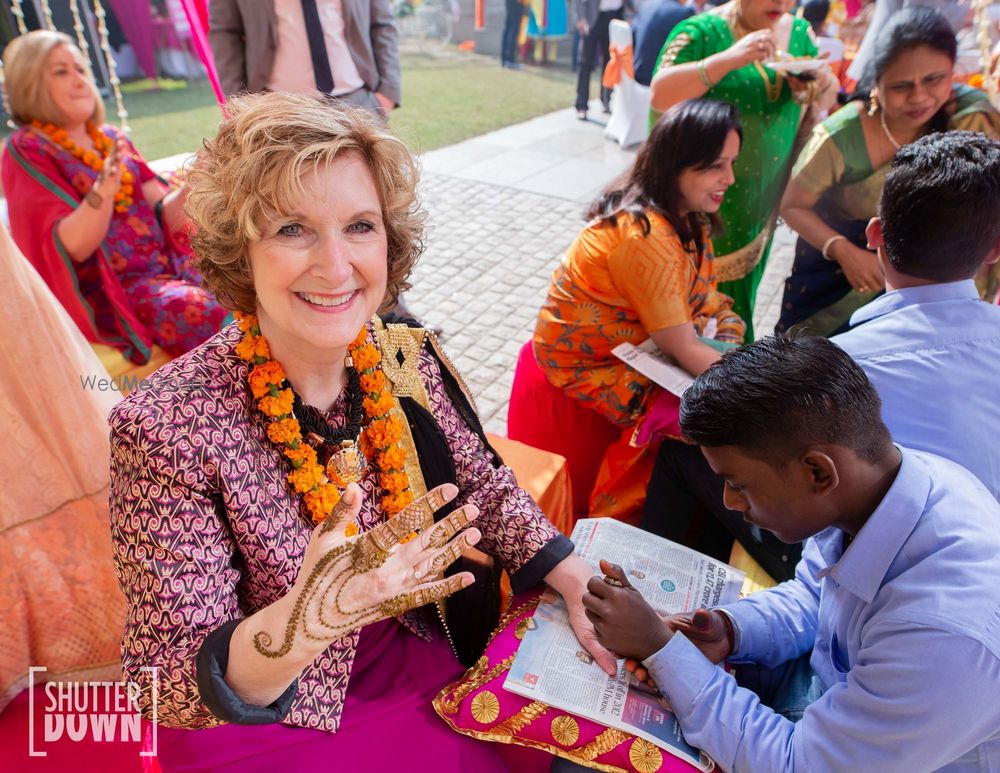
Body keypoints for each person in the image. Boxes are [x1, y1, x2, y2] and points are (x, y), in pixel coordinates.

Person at [108, 92, 613, 771]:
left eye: (359, 226)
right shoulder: (166, 423)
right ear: (240, 248)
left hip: (418, 651)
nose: (337, 265)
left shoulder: (400, 353)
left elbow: (485, 485)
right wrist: (309, 618)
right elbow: (162, 683)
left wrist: (579, 581)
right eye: (292, 228)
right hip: (273, 708)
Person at [581, 335, 1000, 773]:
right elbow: (814, 595)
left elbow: (799, 765)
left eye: (738, 484)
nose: (728, 501)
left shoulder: (944, 636)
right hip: (823, 695)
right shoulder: (880, 487)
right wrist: (730, 630)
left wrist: (661, 648)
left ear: (818, 471)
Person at [643, 129, 1000, 582]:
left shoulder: (844, 367)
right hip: (976, 558)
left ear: (874, 235)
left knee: (679, 446)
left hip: (885, 566)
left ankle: (664, 588)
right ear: (993, 250)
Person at [534, 99, 745, 523]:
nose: (730, 179)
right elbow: (684, 348)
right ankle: (623, 535)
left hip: (648, 343)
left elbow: (703, 302)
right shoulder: (644, 236)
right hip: (592, 362)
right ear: (675, 165)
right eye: (715, 166)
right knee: (697, 421)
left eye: (732, 163)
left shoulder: (685, 217)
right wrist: (753, 388)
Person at [1, 30, 227, 364]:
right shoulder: (28, 149)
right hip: (117, 292)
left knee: (241, 284)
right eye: (61, 72)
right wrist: (101, 194)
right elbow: (71, 247)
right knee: (203, 309)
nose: (79, 80)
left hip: (170, 266)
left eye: (80, 69)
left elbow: (166, 216)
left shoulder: (111, 138)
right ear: (29, 84)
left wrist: (195, 181)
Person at [777, 6, 1000, 335]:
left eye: (934, 79)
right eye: (901, 86)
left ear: (954, 71)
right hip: (841, 285)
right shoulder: (841, 135)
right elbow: (791, 205)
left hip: (941, 293)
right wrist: (843, 250)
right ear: (876, 83)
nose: (919, 97)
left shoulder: (971, 120)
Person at [649, 0, 839, 339]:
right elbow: (660, 95)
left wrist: (817, 85)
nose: (781, 3)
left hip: (760, 202)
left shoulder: (798, 33)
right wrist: (727, 60)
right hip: (702, 209)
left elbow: (826, 99)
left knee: (740, 304)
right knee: (690, 315)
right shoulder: (702, 33)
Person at [209, 0, 401, 114]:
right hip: (277, 108)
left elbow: (382, 24)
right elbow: (225, 32)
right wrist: (238, 102)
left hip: (359, 101)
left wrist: (387, 95)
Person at [574, 0, 627, 119]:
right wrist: (581, 18)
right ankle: (581, 105)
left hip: (616, 15)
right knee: (585, 62)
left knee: (610, 62)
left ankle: (606, 100)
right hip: (594, 17)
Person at [633, 0, 695, 86]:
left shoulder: (647, 4)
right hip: (658, 83)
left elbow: (633, 36)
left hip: (635, 78)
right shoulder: (683, 12)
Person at [502, 0, 528, 68]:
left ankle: (505, 59)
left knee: (508, 27)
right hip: (516, 3)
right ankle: (510, 59)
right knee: (513, 29)